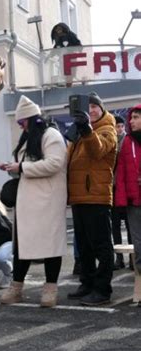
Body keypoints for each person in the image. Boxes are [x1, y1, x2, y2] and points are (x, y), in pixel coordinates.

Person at [0, 95, 68, 308]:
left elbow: (55, 163)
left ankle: (50, 290)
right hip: (28, 201)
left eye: (22, 122)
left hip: (47, 200)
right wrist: (13, 166)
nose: (21, 127)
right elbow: (30, 164)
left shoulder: (51, 135)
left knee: (50, 245)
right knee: (23, 245)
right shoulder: (30, 138)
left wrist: (21, 168)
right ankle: (16, 287)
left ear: (32, 119)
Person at [66, 92, 117, 305]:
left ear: (102, 108)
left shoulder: (108, 130)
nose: (92, 110)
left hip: (97, 197)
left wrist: (86, 129)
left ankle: (103, 290)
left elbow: (97, 151)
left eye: (95, 106)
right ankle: (86, 283)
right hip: (79, 198)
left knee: (102, 246)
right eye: (89, 107)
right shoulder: (79, 131)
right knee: (84, 246)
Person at [114, 104, 141, 275]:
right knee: (138, 246)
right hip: (134, 203)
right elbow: (121, 175)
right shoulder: (127, 143)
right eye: (131, 118)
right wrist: (121, 201)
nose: (131, 121)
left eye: (136, 117)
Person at [112, 114, 132, 269]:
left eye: (121, 126)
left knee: (131, 224)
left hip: (125, 188)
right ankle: (119, 258)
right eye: (117, 126)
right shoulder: (111, 142)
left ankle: (133, 258)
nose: (119, 129)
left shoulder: (129, 141)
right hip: (113, 188)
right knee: (116, 225)